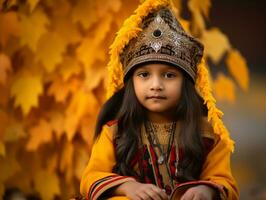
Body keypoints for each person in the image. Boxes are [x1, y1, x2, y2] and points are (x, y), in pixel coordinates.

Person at [80, 1, 239, 199]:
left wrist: (206, 190)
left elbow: (226, 183)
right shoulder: (114, 132)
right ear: (131, 83)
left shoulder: (209, 134)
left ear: (186, 83)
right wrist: (127, 187)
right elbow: (91, 178)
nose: (156, 85)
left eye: (169, 75)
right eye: (144, 75)